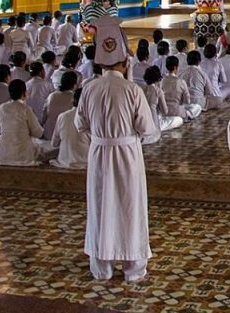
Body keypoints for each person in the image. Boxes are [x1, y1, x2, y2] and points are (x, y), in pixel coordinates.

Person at [75, 17, 157, 282]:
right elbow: (148, 129)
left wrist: (101, 136)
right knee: (129, 207)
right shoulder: (132, 90)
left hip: (99, 153)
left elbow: (80, 124)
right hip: (127, 155)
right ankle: (134, 267)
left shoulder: (88, 89)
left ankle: (101, 267)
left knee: (100, 207)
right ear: (124, 61)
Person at [0, 80, 47, 166]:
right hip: (22, 154)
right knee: (45, 147)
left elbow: (0, 129)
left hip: (2, 153)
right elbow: (38, 133)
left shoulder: (2, 107)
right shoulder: (26, 109)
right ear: (24, 93)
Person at [49, 88, 91, 169]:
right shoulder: (91, 118)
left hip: (64, 162)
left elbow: (54, 143)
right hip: (86, 162)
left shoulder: (62, 116)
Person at [141, 66, 184, 135]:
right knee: (179, 119)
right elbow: (165, 111)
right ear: (158, 78)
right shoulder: (158, 91)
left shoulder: (140, 89)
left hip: (142, 122)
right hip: (155, 123)